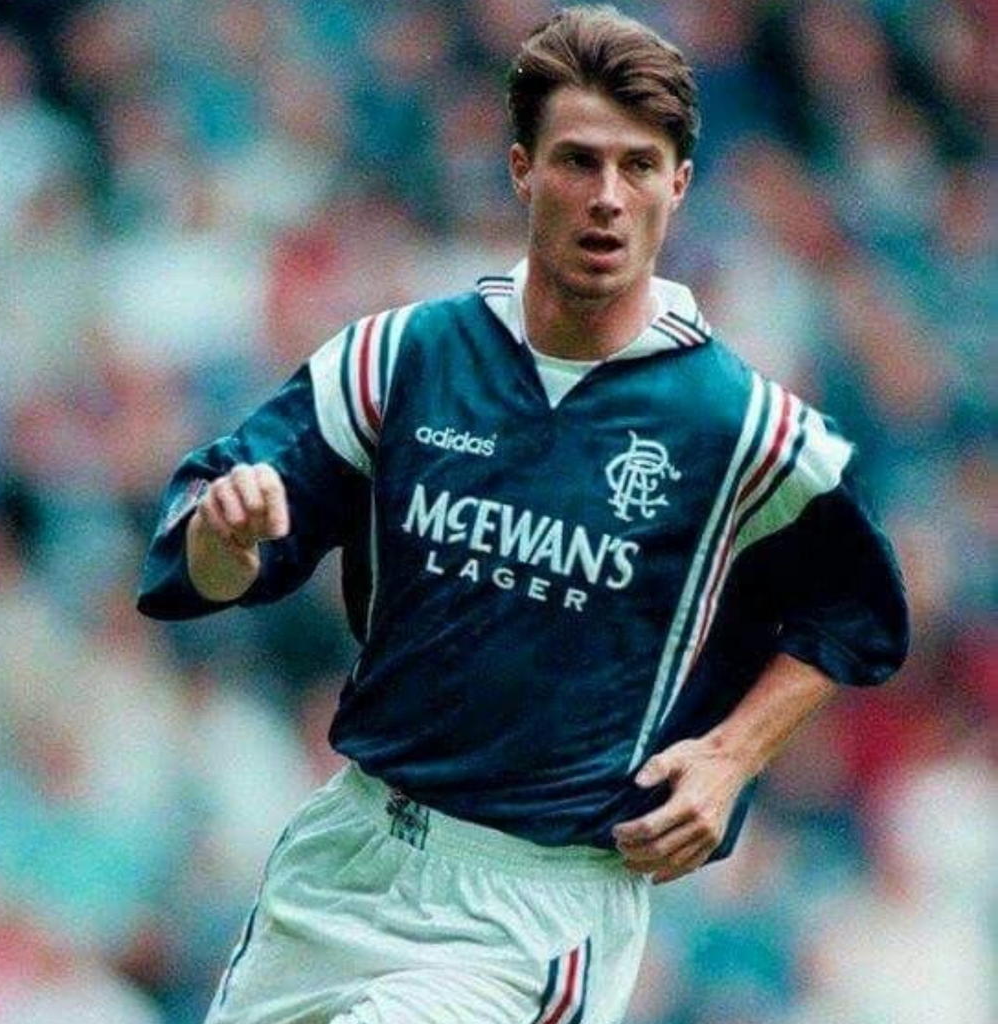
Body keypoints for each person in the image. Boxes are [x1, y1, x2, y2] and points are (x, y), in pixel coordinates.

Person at [138, 6, 909, 1023]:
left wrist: (730, 756)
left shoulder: (744, 429)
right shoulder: (399, 359)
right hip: (349, 851)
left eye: (638, 167)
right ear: (519, 169)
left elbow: (857, 615)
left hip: (535, 907)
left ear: (678, 186)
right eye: (577, 160)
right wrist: (225, 534)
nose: (606, 197)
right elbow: (205, 557)